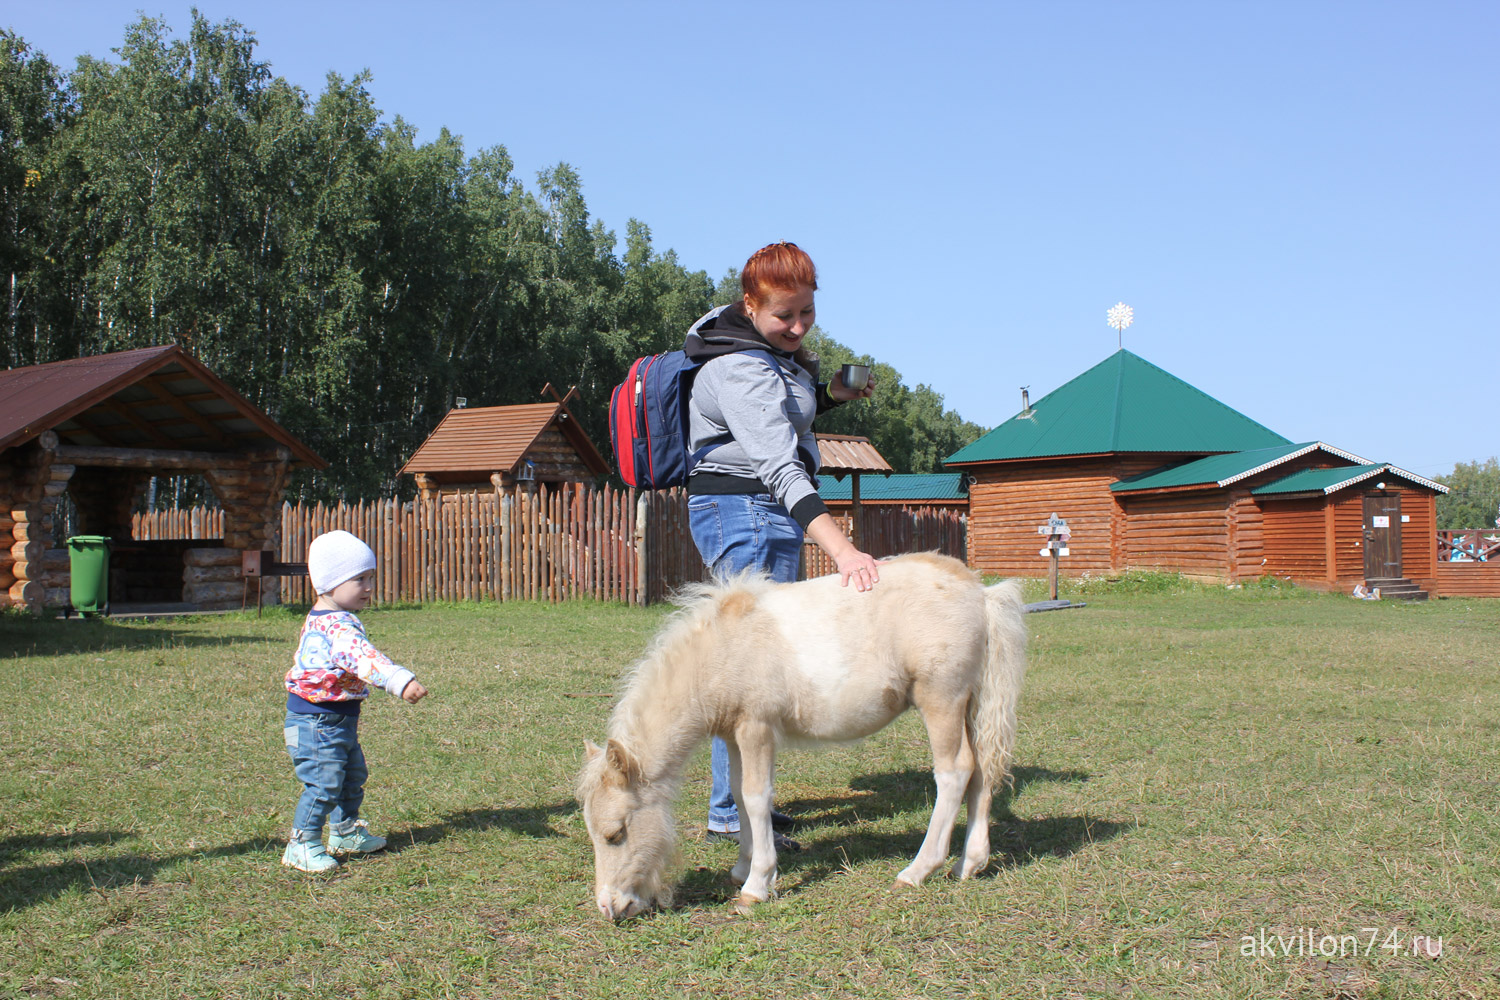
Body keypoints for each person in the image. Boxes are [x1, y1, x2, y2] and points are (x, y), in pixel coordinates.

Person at [683, 241, 880, 848]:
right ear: (750, 305)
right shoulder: (737, 365)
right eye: (783, 316)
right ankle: (732, 813)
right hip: (741, 509)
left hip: (765, 511)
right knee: (746, 670)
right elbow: (779, 465)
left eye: (807, 314)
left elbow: (782, 414)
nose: (797, 327)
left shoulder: (769, 355)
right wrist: (842, 550)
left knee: (759, 667)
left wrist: (831, 396)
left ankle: (744, 802)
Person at [281, 530, 429, 872]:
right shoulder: (338, 628)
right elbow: (366, 659)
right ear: (330, 582)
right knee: (323, 784)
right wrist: (399, 681)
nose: (368, 587)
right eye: (359, 579)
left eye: (370, 578)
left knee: (349, 776)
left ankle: (345, 832)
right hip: (317, 722)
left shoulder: (324, 617)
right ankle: (301, 844)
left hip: (335, 720)